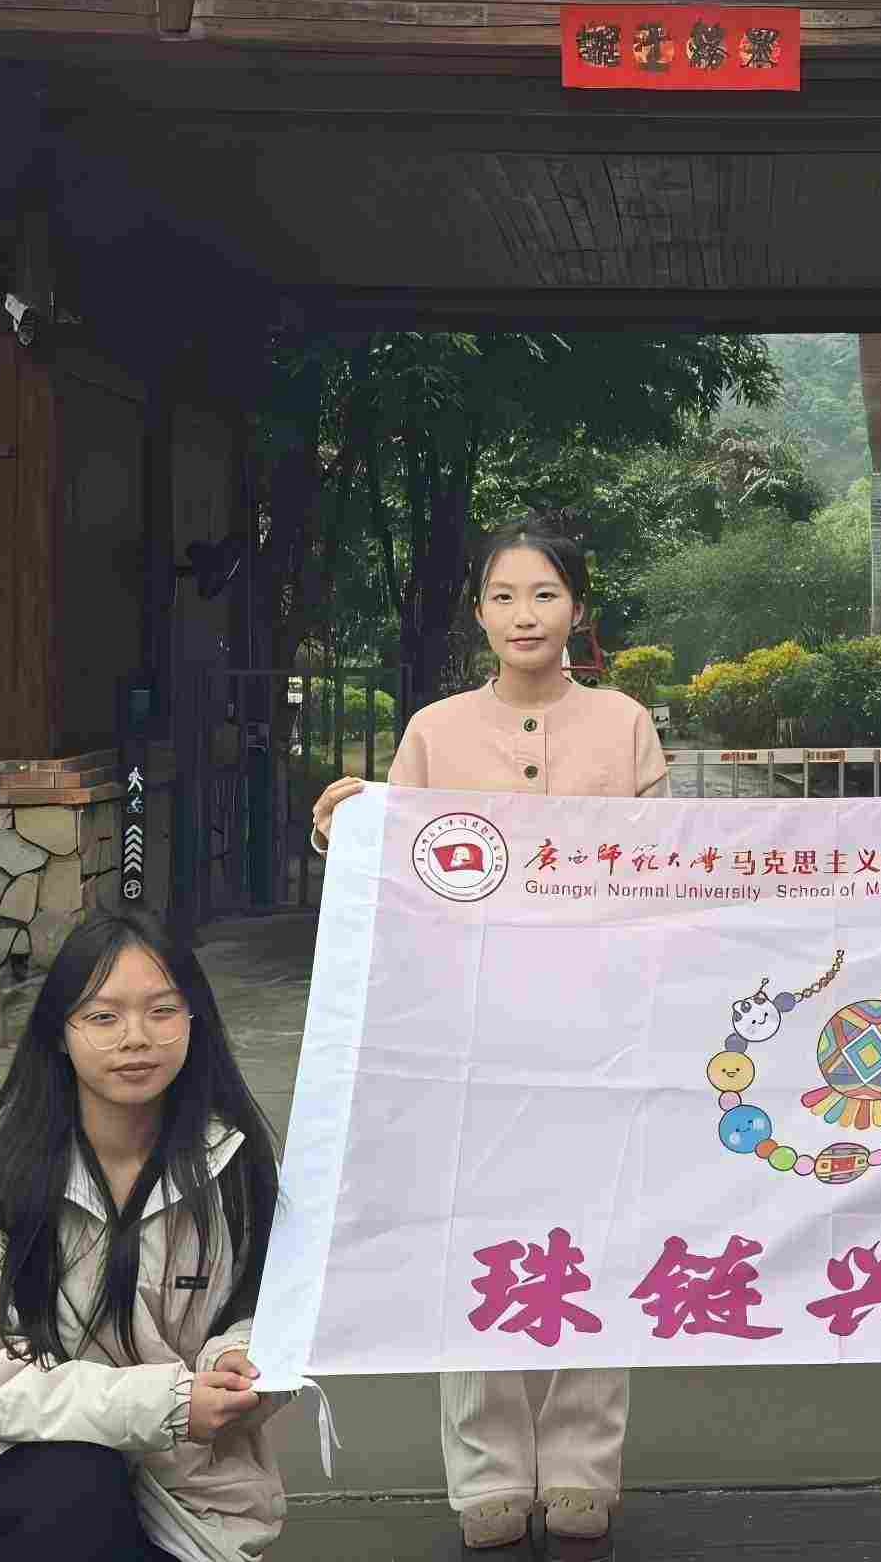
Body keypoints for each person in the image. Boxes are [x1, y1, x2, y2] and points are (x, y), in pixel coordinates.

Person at [311, 516, 665, 1558]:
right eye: (505, 595)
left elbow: (670, 869)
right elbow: (405, 863)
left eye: (545, 593)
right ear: (478, 612)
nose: (525, 614)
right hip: (465, 1030)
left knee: (596, 1236)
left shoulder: (625, 725)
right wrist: (346, 824)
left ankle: (583, 1466)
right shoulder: (433, 730)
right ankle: (488, 1471)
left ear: (577, 608)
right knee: (475, 1240)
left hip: (599, 1030)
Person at [0, 913, 290, 1562]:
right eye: (104, 1017)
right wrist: (166, 1404)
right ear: (60, 1033)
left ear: (195, 1021)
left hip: (192, 1494)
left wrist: (240, 1360)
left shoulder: (239, 1165)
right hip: (15, 1472)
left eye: (162, 1011)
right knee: (77, 1480)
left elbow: (276, 1311)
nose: (135, 1038)